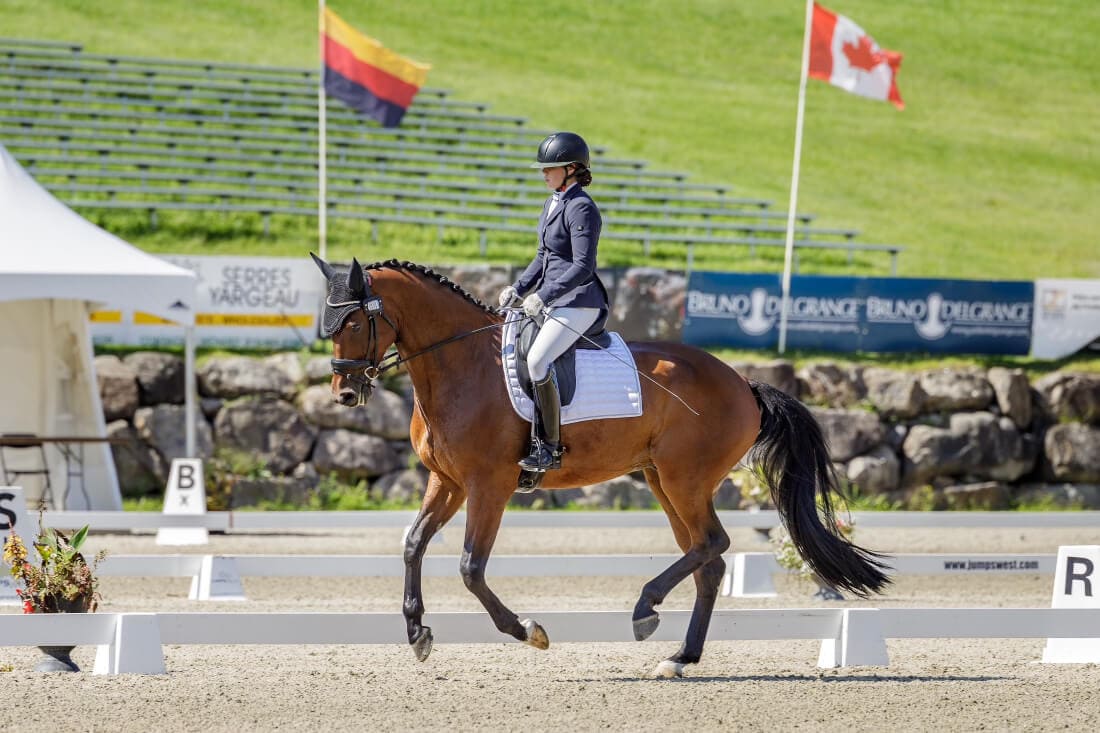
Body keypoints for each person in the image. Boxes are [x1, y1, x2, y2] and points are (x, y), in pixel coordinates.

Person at [498, 131, 610, 472]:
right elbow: (543, 255)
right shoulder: (552, 203)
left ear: (572, 168)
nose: (544, 173)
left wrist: (544, 295)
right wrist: (517, 289)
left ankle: (550, 446)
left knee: (537, 362)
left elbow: (582, 266)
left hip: (578, 302)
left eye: (551, 168)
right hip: (550, 301)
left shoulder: (582, 208)